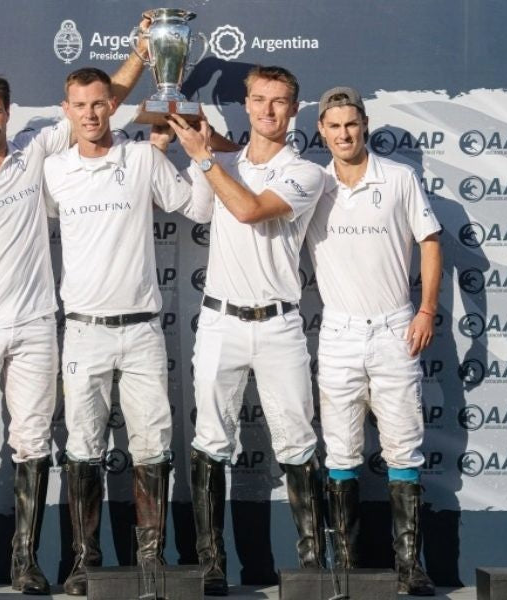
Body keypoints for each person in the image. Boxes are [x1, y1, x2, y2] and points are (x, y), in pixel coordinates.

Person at [0, 39, 148, 594]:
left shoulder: (35, 152)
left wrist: (140, 52)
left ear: (8, 112)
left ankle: (25, 564)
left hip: (37, 325)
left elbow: (106, 98)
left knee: (34, 442)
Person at [42, 66, 216, 596]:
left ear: (111, 107)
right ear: (67, 110)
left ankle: (150, 560)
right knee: (83, 448)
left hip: (141, 331)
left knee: (152, 447)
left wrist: (201, 158)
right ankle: (83, 562)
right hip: (83, 331)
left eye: (100, 104)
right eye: (81, 105)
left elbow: (199, 206)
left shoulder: (142, 158)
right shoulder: (52, 171)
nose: (91, 114)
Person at [169, 65, 328, 596]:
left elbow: (251, 211)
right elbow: (196, 207)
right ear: (246, 103)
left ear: (294, 109)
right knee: (210, 442)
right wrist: (176, 143)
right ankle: (210, 565)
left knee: (298, 444)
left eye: (280, 102)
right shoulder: (224, 163)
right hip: (219, 321)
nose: (268, 110)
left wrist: (206, 159)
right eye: (259, 100)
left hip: (280, 323)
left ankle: (311, 566)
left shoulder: (305, 172)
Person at [306, 86, 441, 596]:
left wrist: (427, 308)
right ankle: (347, 567)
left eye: (352, 124)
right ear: (322, 131)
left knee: (404, 448)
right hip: (338, 333)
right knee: (340, 452)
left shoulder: (400, 178)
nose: (344, 134)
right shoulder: (312, 184)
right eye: (334, 126)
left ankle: (410, 568)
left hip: (394, 328)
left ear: (365, 125)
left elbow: (430, 242)